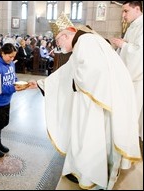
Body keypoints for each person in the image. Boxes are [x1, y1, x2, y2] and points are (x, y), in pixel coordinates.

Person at [36, 13, 142, 190]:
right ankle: (81, 170)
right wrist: (41, 83)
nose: (58, 45)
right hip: (92, 101)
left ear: (67, 33)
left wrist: (71, 85)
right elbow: (68, 72)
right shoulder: (83, 42)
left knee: (89, 139)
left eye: (58, 40)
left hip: (93, 105)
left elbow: (90, 74)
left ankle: (90, 176)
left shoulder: (86, 42)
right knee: (83, 139)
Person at [0, 43, 32, 158]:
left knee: (0, 123)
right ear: (3, 53)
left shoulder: (10, 62)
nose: (12, 59)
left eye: (13, 57)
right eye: (10, 56)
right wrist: (13, 88)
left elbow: (13, 76)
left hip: (6, 99)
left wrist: (17, 83)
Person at [110, 1, 143, 142]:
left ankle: (128, 147)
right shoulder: (133, 26)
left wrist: (123, 44)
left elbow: (139, 54)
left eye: (126, 11)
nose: (123, 15)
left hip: (136, 80)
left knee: (131, 115)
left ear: (137, 9)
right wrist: (122, 43)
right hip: (129, 79)